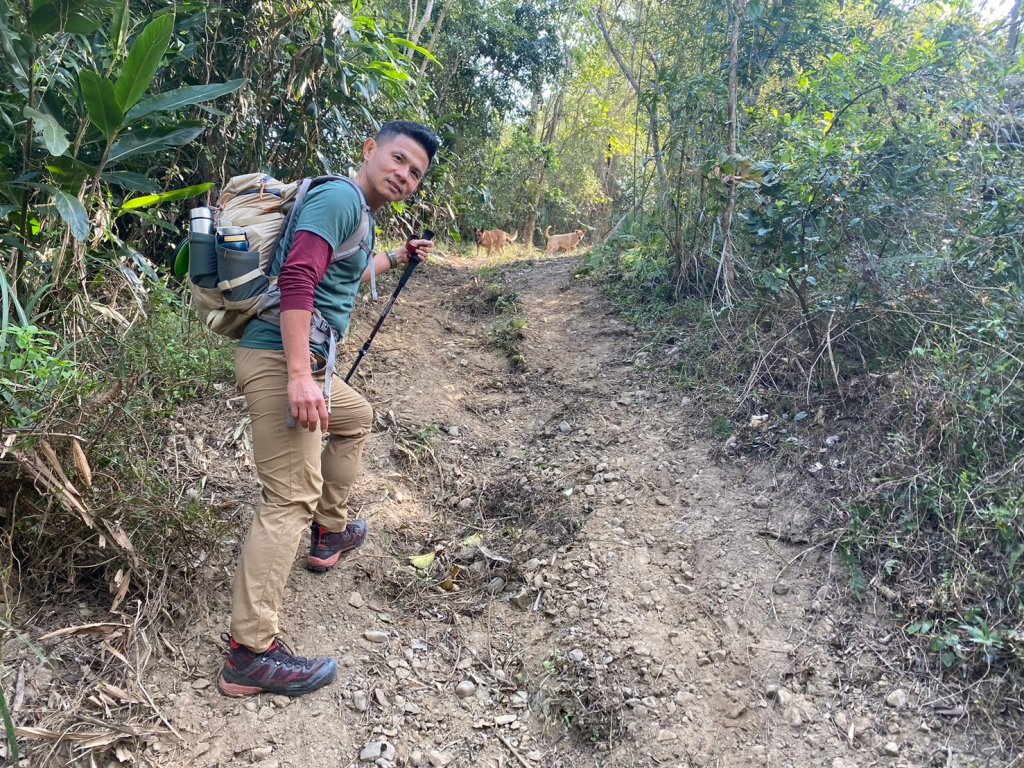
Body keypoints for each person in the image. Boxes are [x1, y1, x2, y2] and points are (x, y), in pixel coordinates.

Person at [217, 121, 440, 697]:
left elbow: (345, 274)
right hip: (280, 359)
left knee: (356, 416)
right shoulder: (340, 197)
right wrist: (298, 375)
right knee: (288, 497)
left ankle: (329, 534)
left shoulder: (358, 216)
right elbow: (298, 276)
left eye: (415, 173)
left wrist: (397, 255)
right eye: (398, 159)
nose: (404, 175)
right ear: (370, 149)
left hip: (306, 363)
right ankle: (250, 653)